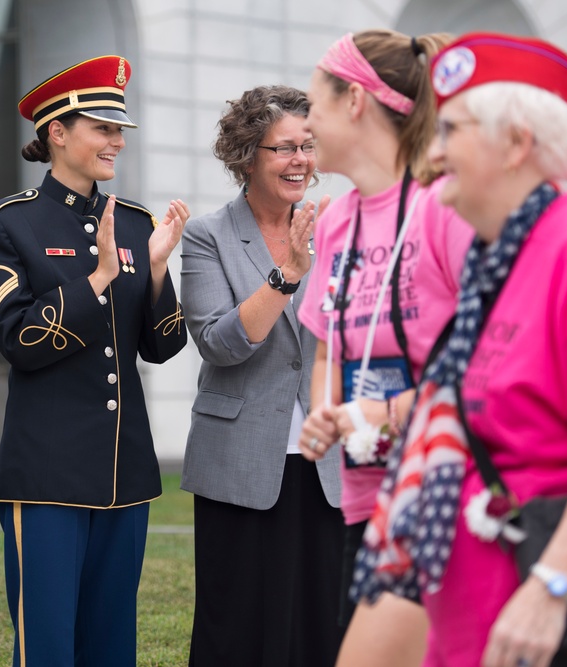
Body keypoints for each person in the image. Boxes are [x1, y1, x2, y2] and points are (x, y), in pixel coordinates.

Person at [351, 32, 567, 667]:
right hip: (474, 618)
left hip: (544, 625)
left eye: (450, 131)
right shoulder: (494, 259)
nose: (431, 153)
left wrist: (550, 588)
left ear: (515, 144)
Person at [0, 55, 189, 667]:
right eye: (102, 127)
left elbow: (163, 346)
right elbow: (16, 339)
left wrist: (153, 271)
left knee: (112, 645)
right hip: (46, 475)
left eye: (119, 129)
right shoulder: (9, 222)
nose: (116, 140)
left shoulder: (136, 223)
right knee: (45, 646)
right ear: (57, 132)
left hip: (124, 471)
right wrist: (97, 277)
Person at [296, 29, 475, 666]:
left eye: (315, 99)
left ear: (355, 102)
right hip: (365, 494)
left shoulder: (444, 209)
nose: (306, 117)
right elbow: (326, 351)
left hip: (446, 495)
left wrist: (390, 414)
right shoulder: (339, 219)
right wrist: (326, 413)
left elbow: (487, 365)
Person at [180, 85, 344, 667]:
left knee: (324, 622)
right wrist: (284, 278)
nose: (301, 160)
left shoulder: (338, 232)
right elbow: (219, 344)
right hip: (240, 459)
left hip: (329, 461)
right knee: (241, 627)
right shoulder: (208, 235)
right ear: (248, 154)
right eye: (284, 148)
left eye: (308, 145)